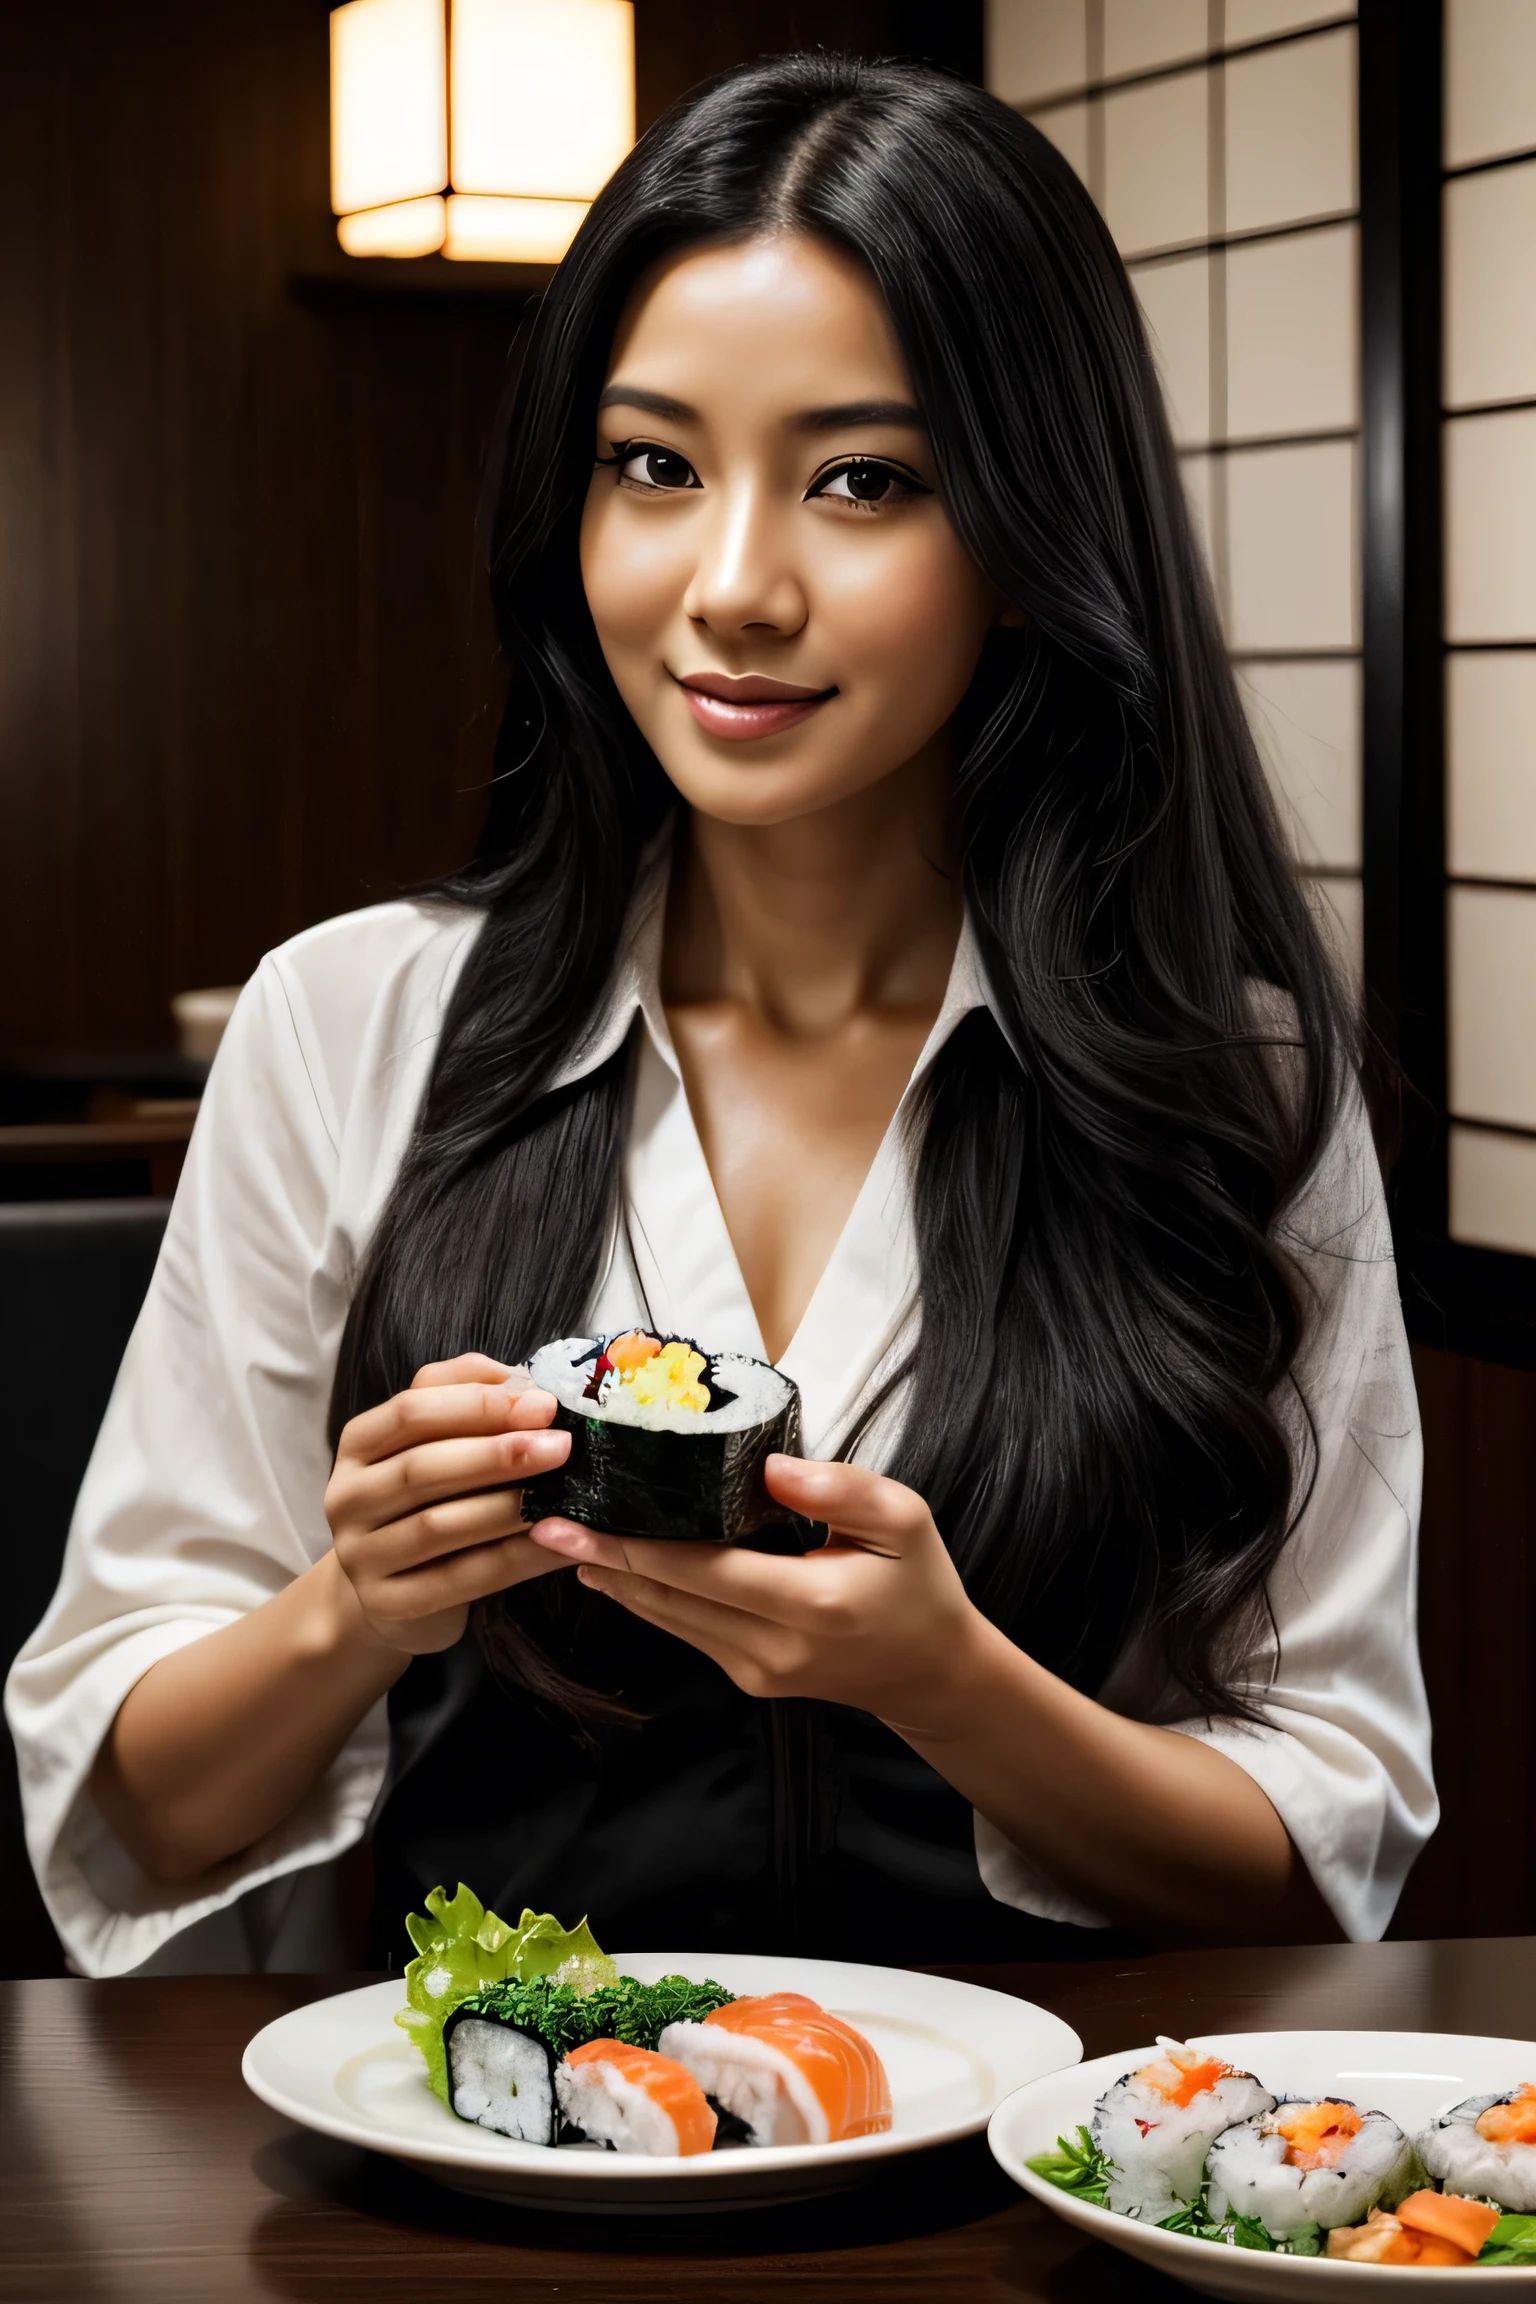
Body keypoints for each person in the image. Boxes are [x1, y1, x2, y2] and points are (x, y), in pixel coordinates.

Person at [7, 53, 1434, 1980]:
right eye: (653, 465)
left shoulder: (1236, 1083)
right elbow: (142, 1808)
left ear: (1025, 536)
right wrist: (360, 1601)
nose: (732, 587)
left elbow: (1321, 1856)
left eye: (864, 479)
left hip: (1030, 2217)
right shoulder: (348, 1022)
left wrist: (955, 1687)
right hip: (482, 2193)